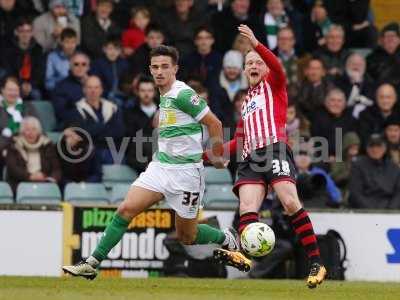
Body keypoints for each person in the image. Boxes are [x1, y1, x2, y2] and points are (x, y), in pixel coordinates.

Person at [62, 45, 240, 279]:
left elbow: (215, 123)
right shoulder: (164, 96)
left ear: (175, 68)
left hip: (186, 174)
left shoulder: (182, 94)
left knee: (188, 235)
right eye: (155, 67)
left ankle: (225, 237)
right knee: (126, 209)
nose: (159, 71)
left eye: (165, 67)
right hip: (160, 167)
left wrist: (218, 157)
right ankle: (92, 263)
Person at [209, 25, 326, 288]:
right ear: (244, 70)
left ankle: (317, 262)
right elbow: (238, 143)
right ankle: (244, 255)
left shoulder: (275, 85)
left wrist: (256, 44)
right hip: (251, 159)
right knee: (247, 208)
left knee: (289, 202)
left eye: (257, 62)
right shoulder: (247, 102)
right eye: (248, 62)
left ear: (265, 68)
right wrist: (205, 156)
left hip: (274, 149)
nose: (253, 65)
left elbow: (278, 66)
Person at [68, 76, 124, 165]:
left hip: (112, 149)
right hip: (89, 151)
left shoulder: (112, 108)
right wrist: (105, 127)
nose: (93, 91)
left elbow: (118, 131)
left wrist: (95, 131)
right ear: (84, 90)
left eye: (96, 87)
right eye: (89, 87)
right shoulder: (77, 109)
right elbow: (83, 133)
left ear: (101, 90)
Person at [4, 116, 61, 192]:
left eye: (34, 129)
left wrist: (50, 178)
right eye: (27, 130)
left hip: (45, 183)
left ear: (38, 131)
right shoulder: (14, 145)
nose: (31, 133)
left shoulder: (47, 145)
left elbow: (56, 168)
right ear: (22, 131)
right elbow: (12, 168)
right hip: (20, 183)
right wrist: (30, 176)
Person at [348, 134, 400, 209]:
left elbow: (398, 192)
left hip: (389, 211)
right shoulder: (358, 165)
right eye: (371, 146)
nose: (375, 149)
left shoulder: (393, 167)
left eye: (379, 146)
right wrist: (372, 211)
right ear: (367, 148)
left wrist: (390, 210)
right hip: (364, 211)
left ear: (385, 148)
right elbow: (355, 193)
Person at [2, 17, 45, 101]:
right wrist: (20, 84)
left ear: (32, 33)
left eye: (28, 31)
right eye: (22, 31)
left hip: (31, 85)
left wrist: (30, 85)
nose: (25, 35)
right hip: (13, 83)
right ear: (16, 32)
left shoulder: (38, 49)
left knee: (36, 95)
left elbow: (40, 71)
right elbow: (8, 70)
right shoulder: (8, 49)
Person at [125, 76, 158, 173]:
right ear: (137, 92)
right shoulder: (130, 113)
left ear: (155, 92)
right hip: (139, 162)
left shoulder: (164, 111)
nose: (146, 94)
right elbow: (130, 141)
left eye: (150, 90)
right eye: (143, 91)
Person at [0, 77, 38, 156]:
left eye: (16, 90)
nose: (13, 93)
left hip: (30, 146)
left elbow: (39, 128)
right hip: (5, 149)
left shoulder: (28, 107)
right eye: (10, 90)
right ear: (2, 90)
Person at [358, 83, 400, 149]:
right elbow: (365, 139)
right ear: (376, 98)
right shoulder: (365, 115)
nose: (385, 101)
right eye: (381, 97)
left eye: (388, 97)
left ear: (395, 98)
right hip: (375, 151)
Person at [52, 52, 90, 124]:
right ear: (70, 66)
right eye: (76, 64)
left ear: (88, 67)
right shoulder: (61, 87)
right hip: (73, 125)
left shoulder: (94, 84)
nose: (80, 67)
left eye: (84, 64)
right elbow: (61, 113)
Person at [91, 38, 129, 106]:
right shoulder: (98, 64)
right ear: (104, 49)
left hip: (121, 96)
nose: (113, 52)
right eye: (110, 49)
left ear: (120, 51)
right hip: (104, 96)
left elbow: (126, 83)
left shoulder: (124, 64)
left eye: (116, 49)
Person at [45, 28, 78, 93]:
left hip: (77, 92)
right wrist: (64, 82)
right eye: (67, 42)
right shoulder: (52, 57)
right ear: (61, 42)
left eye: (73, 42)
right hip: (59, 91)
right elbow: (48, 83)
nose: (70, 45)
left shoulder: (81, 57)